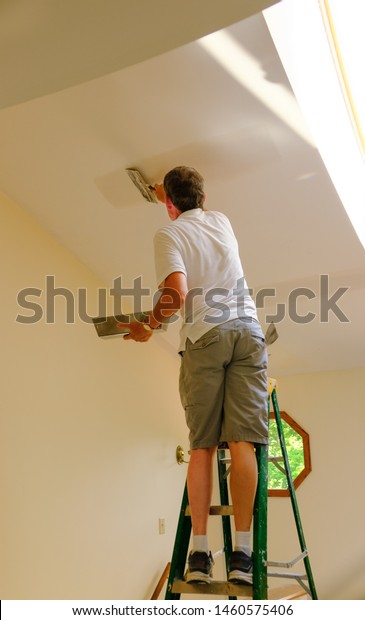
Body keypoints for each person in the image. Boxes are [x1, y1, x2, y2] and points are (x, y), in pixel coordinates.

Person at [118, 166, 268, 584]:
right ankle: (242, 554)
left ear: (169, 204)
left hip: (206, 336)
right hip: (249, 333)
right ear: (204, 198)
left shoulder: (168, 235)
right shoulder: (222, 221)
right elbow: (190, 202)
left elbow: (176, 295)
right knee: (243, 443)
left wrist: (148, 326)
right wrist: (166, 191)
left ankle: (199, 557)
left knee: (202, 446)